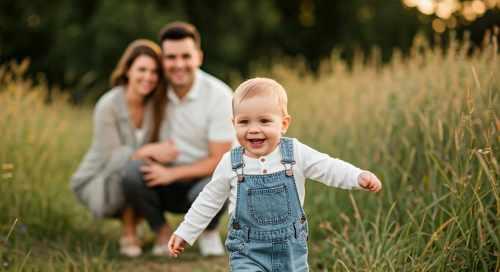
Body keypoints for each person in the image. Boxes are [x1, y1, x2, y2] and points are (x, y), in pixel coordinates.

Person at [168, 77, 382, 271]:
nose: (253, 129)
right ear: (233, 124)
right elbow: (208, 200)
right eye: (244, 122)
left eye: (264, 121)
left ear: (284, 124)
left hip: (291, 250)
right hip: (247, 251)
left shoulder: (295, 153)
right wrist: (186, 232)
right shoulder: (230, 163)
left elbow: (327, 167)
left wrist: (357, 176)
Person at [121, 21, 234, 257]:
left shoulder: (219, 95)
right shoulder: (153, 90)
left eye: (186, 56)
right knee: (132, 172)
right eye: (171, 57)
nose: (179, 64)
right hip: (164, 182)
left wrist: (171, 173)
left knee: (224, 179)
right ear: (162, 60)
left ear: (199, 57)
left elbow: (220, 159)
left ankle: (209, 230)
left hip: (203, 182)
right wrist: (149, 153)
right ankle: (161, 231)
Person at [70, 39, 168, 257]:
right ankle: (129, 231)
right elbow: (111, 156)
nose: (148, 77)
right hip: (100, 176)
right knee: (131, 169)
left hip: (135, 172)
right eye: (142, 69)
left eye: (154, 72)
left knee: (142, 172)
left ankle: (153, 228)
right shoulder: (109, 104)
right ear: (127, 71)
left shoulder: (156, 104)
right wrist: (148, 151)